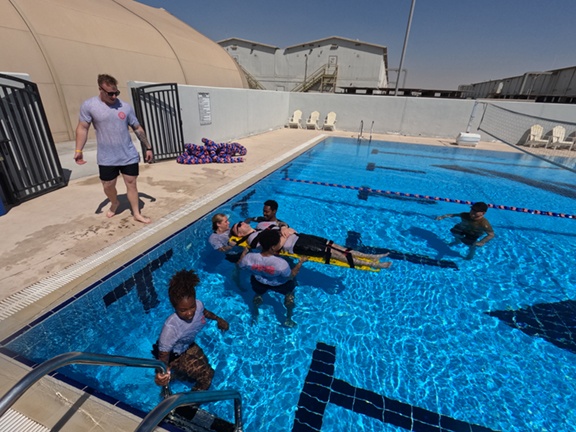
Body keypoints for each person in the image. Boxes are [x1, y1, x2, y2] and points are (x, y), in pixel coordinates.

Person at [74, 73, 153, 224]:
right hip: (107, 157)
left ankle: (136, 213)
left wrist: (148, 147)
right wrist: (79, 150)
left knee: (131, 183)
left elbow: (137, 127)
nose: (114, 96)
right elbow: (82, 128)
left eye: (116, 92)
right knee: (108, 185)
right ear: (100, 90)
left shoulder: (125, 107)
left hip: (128, 154)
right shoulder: (90, 105)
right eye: (110, 93)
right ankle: (114, 202)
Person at [153, 269, 229, 390]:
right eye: (183, 310)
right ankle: (187, 406)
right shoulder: (171, 328)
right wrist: (162, 372)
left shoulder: (198, 305)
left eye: (191, 307)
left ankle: (178, 377)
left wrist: (218, 319)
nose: (189, 313)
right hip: (174, 356)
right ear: (174, 307)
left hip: (187, 345)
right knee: (207, 374)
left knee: (205, 366)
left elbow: (204, 312)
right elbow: (163, 355)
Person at [230, 221, 392, 270]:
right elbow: (274, 248)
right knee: (335, 254)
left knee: (335, 245)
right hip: (296, 246)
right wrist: (282, 234)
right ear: (239, 234)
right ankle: (371, 264)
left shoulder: (260, 226)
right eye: (239, 225)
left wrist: (284, 228)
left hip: (300, 236)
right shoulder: (252, 240)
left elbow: (281, 225)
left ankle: (371, 256)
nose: (242, 223)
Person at [237, 229, 307, 327]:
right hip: (280, 284)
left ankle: (256, 313)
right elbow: (290, 276)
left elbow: (240, 266)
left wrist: (244, 252)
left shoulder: (248, 258)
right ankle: (288, 318)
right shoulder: (281, 263)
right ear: (273, 247)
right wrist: (300, 262)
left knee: (258, 294)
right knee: (289, 296)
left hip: (258, 282)